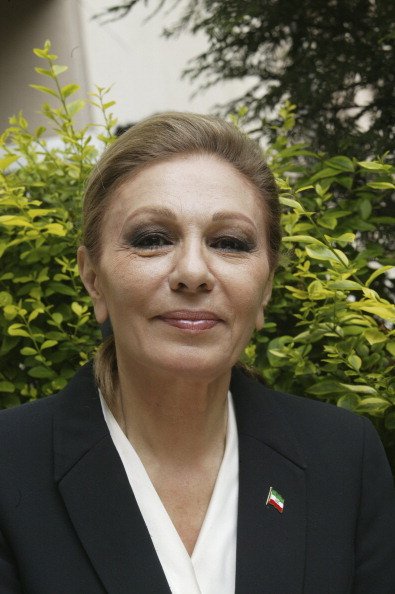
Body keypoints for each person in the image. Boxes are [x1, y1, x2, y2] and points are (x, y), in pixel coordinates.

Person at [0, 112, 394, 594]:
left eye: (229, 243)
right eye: (152, 240)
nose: (192, 271)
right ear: (93, 278)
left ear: (266, 285)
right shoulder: (8, 465)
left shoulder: (343, 458)